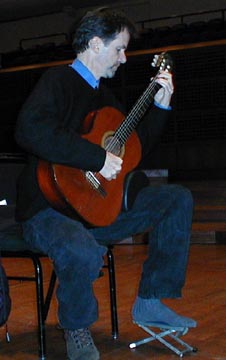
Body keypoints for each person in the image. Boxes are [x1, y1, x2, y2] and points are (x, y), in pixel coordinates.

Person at [14, 8, 196, 360]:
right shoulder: (58, 81)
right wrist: (95, 158)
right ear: (95, 44)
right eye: (119, 49)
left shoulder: (104, 99)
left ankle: (151, 301)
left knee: (176, 199)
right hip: (48, 212)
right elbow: (30, 129)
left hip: (95, 210)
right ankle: (77, 329)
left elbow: (132, 151)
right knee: (81, 250)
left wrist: (161, 106)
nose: (124, 59)